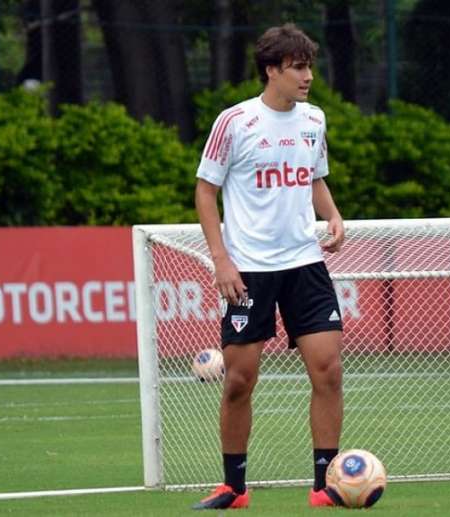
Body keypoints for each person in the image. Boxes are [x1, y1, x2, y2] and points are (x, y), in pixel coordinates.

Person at [192, 23, 345, 510]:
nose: (308, 77)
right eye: (298, 67)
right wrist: (221, 259)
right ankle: (234, 488)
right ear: (272, 70)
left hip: (305, 264)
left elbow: (314, 178)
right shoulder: (234, 122)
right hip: (250, 270)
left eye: (310, 67)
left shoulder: (313, 120)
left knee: (329, 371)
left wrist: (333, 214)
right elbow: (205, 190)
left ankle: (324, 486)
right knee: (238, 380)